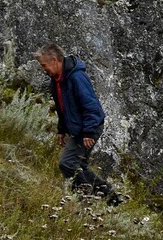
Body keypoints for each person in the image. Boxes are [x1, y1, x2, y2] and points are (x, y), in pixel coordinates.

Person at [37, 45, 120, 203]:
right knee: (79, 164)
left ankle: (85, 197)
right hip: (80, 129)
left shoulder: (76, 77)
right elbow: (62, 109)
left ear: (54, 60)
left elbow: (91, 106)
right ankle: (111, 198)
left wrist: (89, 132)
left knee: (67, 163)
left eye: (44, 65)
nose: (43, 69)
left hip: (89, 127)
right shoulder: (56, 82)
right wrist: (61, 130)